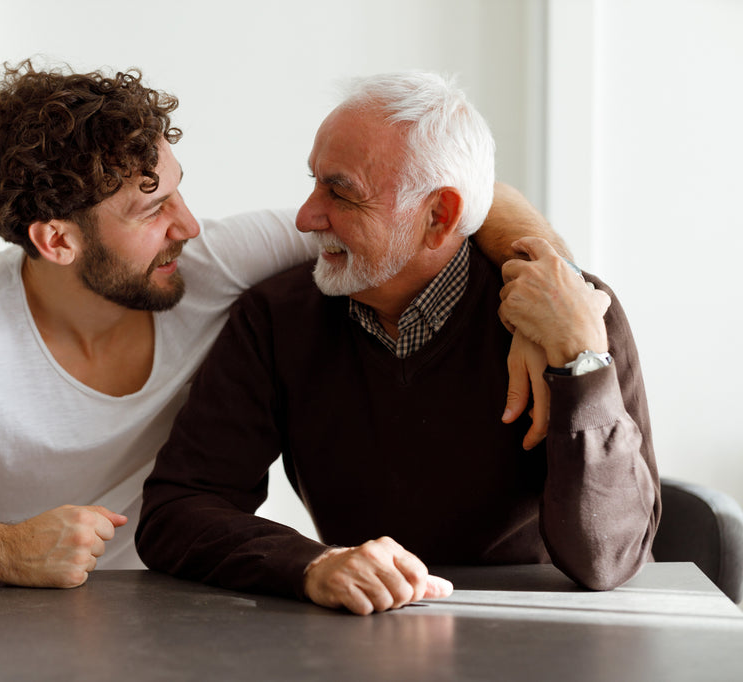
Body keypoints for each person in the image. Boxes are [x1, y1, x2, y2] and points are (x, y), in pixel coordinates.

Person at [0, 61, 568, 589]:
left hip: (185, 600)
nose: (189, 225)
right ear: (57, 241)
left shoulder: (212, 262)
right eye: (150, 207)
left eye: (177, 187)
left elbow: (454, 202)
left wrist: (545, 294)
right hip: (0, 620)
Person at [136, 71, 659, 615]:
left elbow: (608, 560)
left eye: (340, 192)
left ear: (439, 216)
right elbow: (178, 509)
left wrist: (580, 363)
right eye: (314, 182)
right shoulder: (276, 319)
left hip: (534, 629)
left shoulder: (573, 315)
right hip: (358, 628)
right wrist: (312, 565)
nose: (305, 217)